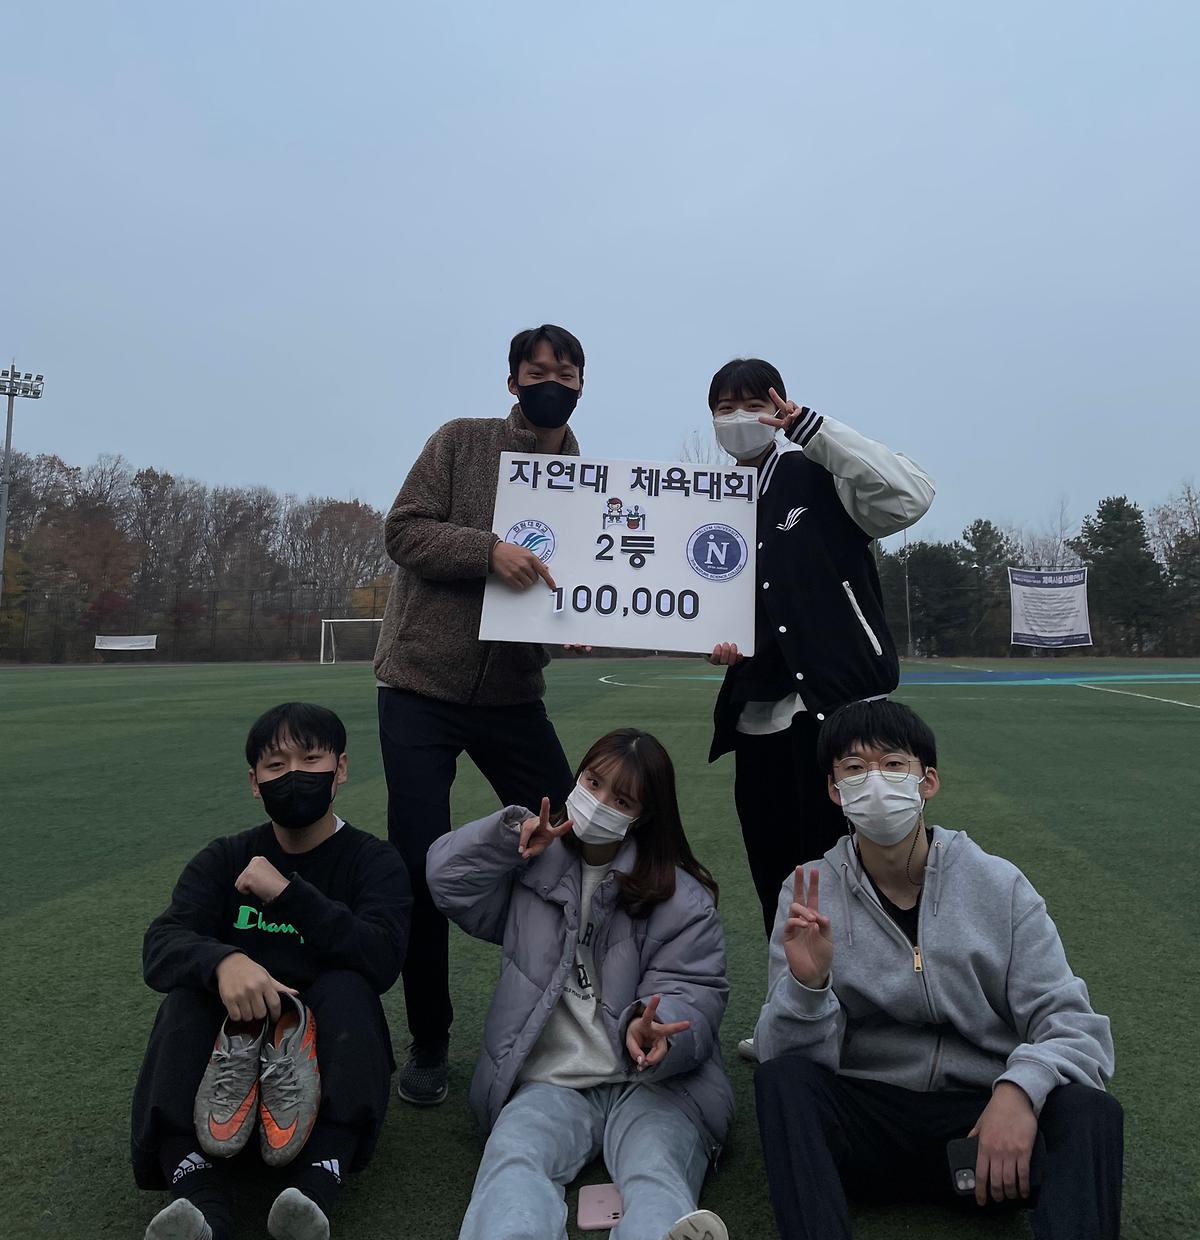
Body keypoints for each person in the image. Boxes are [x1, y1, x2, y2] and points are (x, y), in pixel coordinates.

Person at [752, 700, 1122, 1240]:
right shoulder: (809, 891)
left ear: (927, 782)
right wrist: (808, 987)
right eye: (854, 768)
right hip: (870, 1119)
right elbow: (782, 1054)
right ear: (834, 791)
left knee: (1091, 1111)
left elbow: (1073, 1025)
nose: (874, 781)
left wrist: (1018, 1092)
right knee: (782, 1082)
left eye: (893, 765)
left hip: (984, 1129)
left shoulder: (998, 885)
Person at [374, 324, 586, 1106]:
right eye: (537, 370)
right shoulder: (460, 442)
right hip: (419, 686)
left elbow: (576, 583)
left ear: (582, 384)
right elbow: (403, 531)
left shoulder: (588, 480)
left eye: (566, 372)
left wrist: (582, 618)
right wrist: (487, 549)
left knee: (576, 835)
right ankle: (429, 1039)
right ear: (512, 380)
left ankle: (574, 1018)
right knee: (417, 862)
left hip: (512, 695)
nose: (551, 382)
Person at [426, 728, 733, 1240]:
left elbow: (693, 988)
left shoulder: (682, 897)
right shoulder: (531, 866)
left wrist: (656, 1029)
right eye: (592, 783)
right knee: (514, 1158)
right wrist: (506, 840)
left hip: (652, 1084)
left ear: (643, 816)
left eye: (622, 800)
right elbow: (445, 880)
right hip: (552, 1078)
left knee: (655, 1169)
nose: (600, 803)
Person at [132, 703, 412, 1240]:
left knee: (351, 990)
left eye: (311, 760)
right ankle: (200, 1201)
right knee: (184, 1001)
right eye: (276, 766)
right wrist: (224, 961)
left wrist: (287, 894)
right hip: (230, 1054)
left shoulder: (372, 861)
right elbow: (162, 942)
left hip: (316, 1052)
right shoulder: (226, 857)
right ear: (255, 783)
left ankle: (314, 1189)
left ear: (340, 768)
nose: (294, 776)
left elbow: (380, 959)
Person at [705, 358, 936, 957]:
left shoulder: (819, 473)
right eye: (724, 408)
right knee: (774, 871)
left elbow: (911, 495)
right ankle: (792, 993)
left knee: (850, 869)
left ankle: (871, 993)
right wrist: (711, 637)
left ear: (780, 409)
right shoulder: (710, 502)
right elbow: (700, 595)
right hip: (757, 717)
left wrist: (813, 429)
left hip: (837, 708)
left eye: (754, 404)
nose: (738, 418)